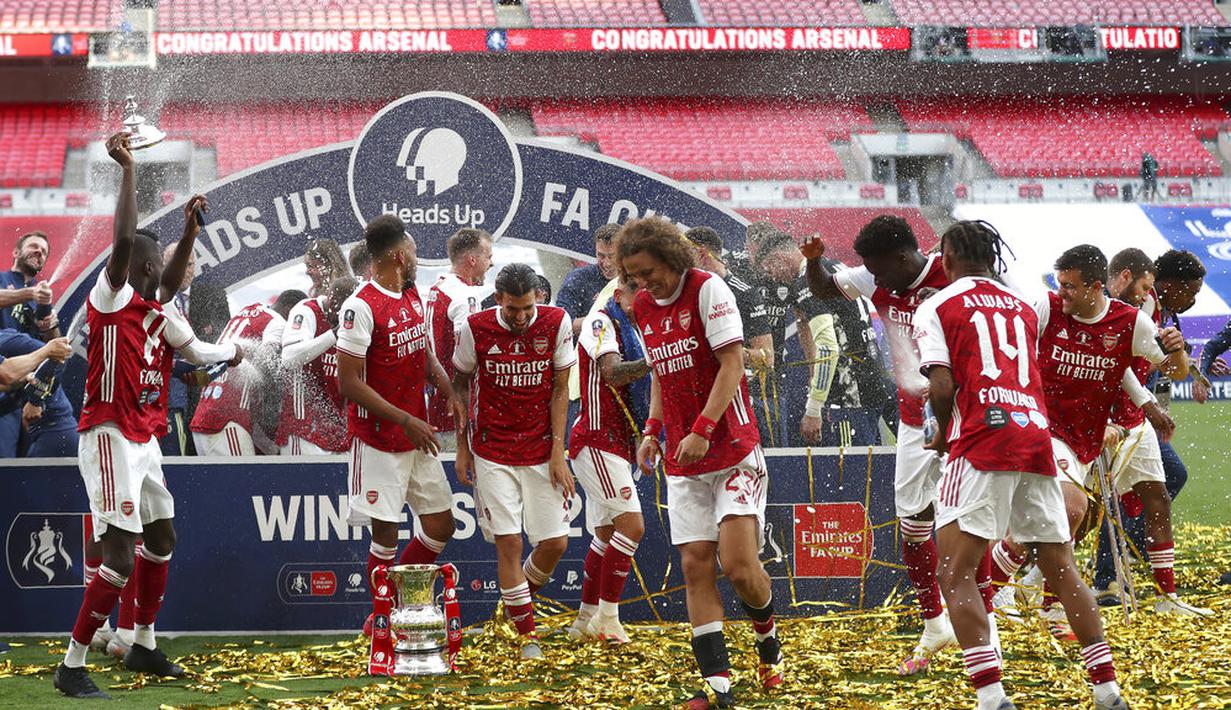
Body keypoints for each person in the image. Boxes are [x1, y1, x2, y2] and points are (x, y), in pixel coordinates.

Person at [54, 134, 242, 699]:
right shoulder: (109, 298)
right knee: (116, 555)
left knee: (162, 536)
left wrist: (188, 233)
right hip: (108, 436)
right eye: (155, 260)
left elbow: (202, 351)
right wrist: (130, 171)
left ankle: (143, 643)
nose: (166, 270)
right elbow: (121, 241)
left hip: (143, 439)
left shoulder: (158, 311)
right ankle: (72, 664)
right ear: (134, 264)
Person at [915, 220, 1129, 710]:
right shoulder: (1022, 302)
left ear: (947, 257)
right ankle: (1106, 689)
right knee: (1061, 567)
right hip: (1035, 434)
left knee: (955, 572)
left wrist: (944, 435)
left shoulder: (937, 304)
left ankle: (992, 698)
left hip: (981, 439)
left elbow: (943, 385)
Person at [987, 244, 1190, 640]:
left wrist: (1178, 354)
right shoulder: (1045, 308)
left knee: (1065, 519)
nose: (1061, 293)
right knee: (1070, 506)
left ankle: (1002, 590)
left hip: (1086, 438)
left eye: (1069, 287)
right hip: (1041, 427)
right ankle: (1020, 600)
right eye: (1059, 284)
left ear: (1095, 287)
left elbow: (1175, 372)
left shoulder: (1130, 324)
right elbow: (1006, 339)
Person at [619, 217, 782, 708]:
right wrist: (652, 431)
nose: (644, 284)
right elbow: (662, 378)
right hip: (682, 457)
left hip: (731, 449)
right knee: (695, 565)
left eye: (649, 272)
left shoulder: (707, 289)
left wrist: (702, 429)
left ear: (672, 258)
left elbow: (733, 364)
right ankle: (718, 685)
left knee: (738, 567)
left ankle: (767, 638)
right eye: (634, 277)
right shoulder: (645, 306)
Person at [803, 215, 956, 674]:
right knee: (912, 522)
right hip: (914, 419)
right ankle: (935, 622)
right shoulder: (875, 273)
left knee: (967, 518)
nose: (875, 279)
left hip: (963, 416)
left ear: (906, 257)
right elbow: (827, 289)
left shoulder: (952, 276)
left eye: (880, 270)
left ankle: (985, 615)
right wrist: (813, 263)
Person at [335, 216, 463, 633]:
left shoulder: (412, 295)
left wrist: (449, 391)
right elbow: (349, 383)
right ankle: (383, 620)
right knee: (384, 535)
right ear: (397, 255)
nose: (415, 257)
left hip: (415, 435)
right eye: (411, 249)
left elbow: (423, 355)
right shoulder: (361, 306)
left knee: (441, 525)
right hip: (378, 440)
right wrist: (406, 418)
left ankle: (397, 599)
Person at [452, 263, 576, 659]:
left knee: (555, 543)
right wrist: (461, 446)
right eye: (512, 310)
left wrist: (560, 453)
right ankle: (527, 637)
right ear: (499, 300)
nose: (521, 317)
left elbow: (561, 391)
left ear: (538, 297)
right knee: (510, 543)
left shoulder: (557, 322)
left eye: (527, 309)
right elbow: (459, 385)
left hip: (542, 449)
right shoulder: (475, 327)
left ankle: (513, 607)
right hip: (492, 451)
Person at [1085, 249, 1211, 615]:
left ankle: (1125, 571)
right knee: (1083, 506)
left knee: (1154, 490)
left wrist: (1178, 359)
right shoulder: (1144, 308)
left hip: (1133, 416)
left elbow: (1173, 368)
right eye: (1192, 291)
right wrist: (1149, 404)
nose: (1194, 299)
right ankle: (1102, 572)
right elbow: (1134, 364)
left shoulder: (1161, 312)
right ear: (1168, 285)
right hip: (1112, 418)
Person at [567, 272, 652, 644]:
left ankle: (585, 620)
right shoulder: (602, 319)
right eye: (641, 294)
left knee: (606, 535)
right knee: (632, 527)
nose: (648, 302)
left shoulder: (634, 326)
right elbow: (612, 373)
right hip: (597, 439)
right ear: (620, 293)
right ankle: (608, 619)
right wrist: (656, 364)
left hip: (616, 442)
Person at [757, 227, 890, 447]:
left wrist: (813, 409)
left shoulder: (807, 280)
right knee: (873, 469)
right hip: (872, 378)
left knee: (851, 472)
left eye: (769, 269)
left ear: (778, 257)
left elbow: (828, 348)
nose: (772, 277)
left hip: (850, 395)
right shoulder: (830, 264)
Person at [189, 290, 301, 456]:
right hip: (228, 420)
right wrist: (272, 418)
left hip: (208, 411)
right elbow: (268, 363)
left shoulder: (246, 313)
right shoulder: (278, 323)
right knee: (242, 479)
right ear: (290, 311)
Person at [160, 240, 231, 456]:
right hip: (168, 392)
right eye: (177, 264)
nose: (184, 271)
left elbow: (222, 338)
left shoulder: (214, 295)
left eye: (189, 265)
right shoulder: (154, 298)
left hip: (204, 389)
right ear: (163, 266)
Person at [426, 228, 493, 451]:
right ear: (472, 259)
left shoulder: (438, 288)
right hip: (459, 410)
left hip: (437, 403)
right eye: (488, 256)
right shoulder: (465, 296)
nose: (491, 263)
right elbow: (469, 353)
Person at [0, 230, 60, 457]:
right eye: (34, 246)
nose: (39, 252)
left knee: (24, 469)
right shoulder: (3, 280)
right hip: (3, 386)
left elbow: (56, 350)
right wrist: (29, 294)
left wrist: (50, 323)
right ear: (16, 252)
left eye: (44, 251)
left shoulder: (43, 296)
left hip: (30, 398)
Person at [684, 227, 773, 377]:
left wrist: (723, 353)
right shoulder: (685, 293)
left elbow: (767, 357)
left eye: (685, 256)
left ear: (702, 254)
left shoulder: (745, 294)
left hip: (742, 389)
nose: (680, 264)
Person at [278, 279, 353, 456]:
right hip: (303, 428)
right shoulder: (306, 310)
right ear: (332, 302)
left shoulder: (354, 319)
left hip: (337, 432)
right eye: (340, 313)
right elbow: (289, 357)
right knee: (306, 484)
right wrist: (333, 334)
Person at [0, 330, 78, 457]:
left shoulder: (6, 342)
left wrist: (35, 400)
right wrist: (22, 381)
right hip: (42, 433)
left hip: (56, 430)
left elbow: (60, 353)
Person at [557, 223, 620, 335]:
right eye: (601, 256)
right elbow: (561, 325)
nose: (607, 263)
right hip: (587, 350)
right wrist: (605, 318)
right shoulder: (578, 279)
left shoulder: (637, 279)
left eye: (612, 256)